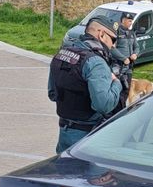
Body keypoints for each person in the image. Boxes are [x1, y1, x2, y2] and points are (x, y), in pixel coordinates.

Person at [48, 17, 123, 153]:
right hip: (87, 137)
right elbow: (103, 105)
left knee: (64, 172)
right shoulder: (96, 63)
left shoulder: (61, 54)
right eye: (113, 40)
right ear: (101, 34)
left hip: (64, 133)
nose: (113, 46)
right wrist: (117, 83)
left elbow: (52, 93)